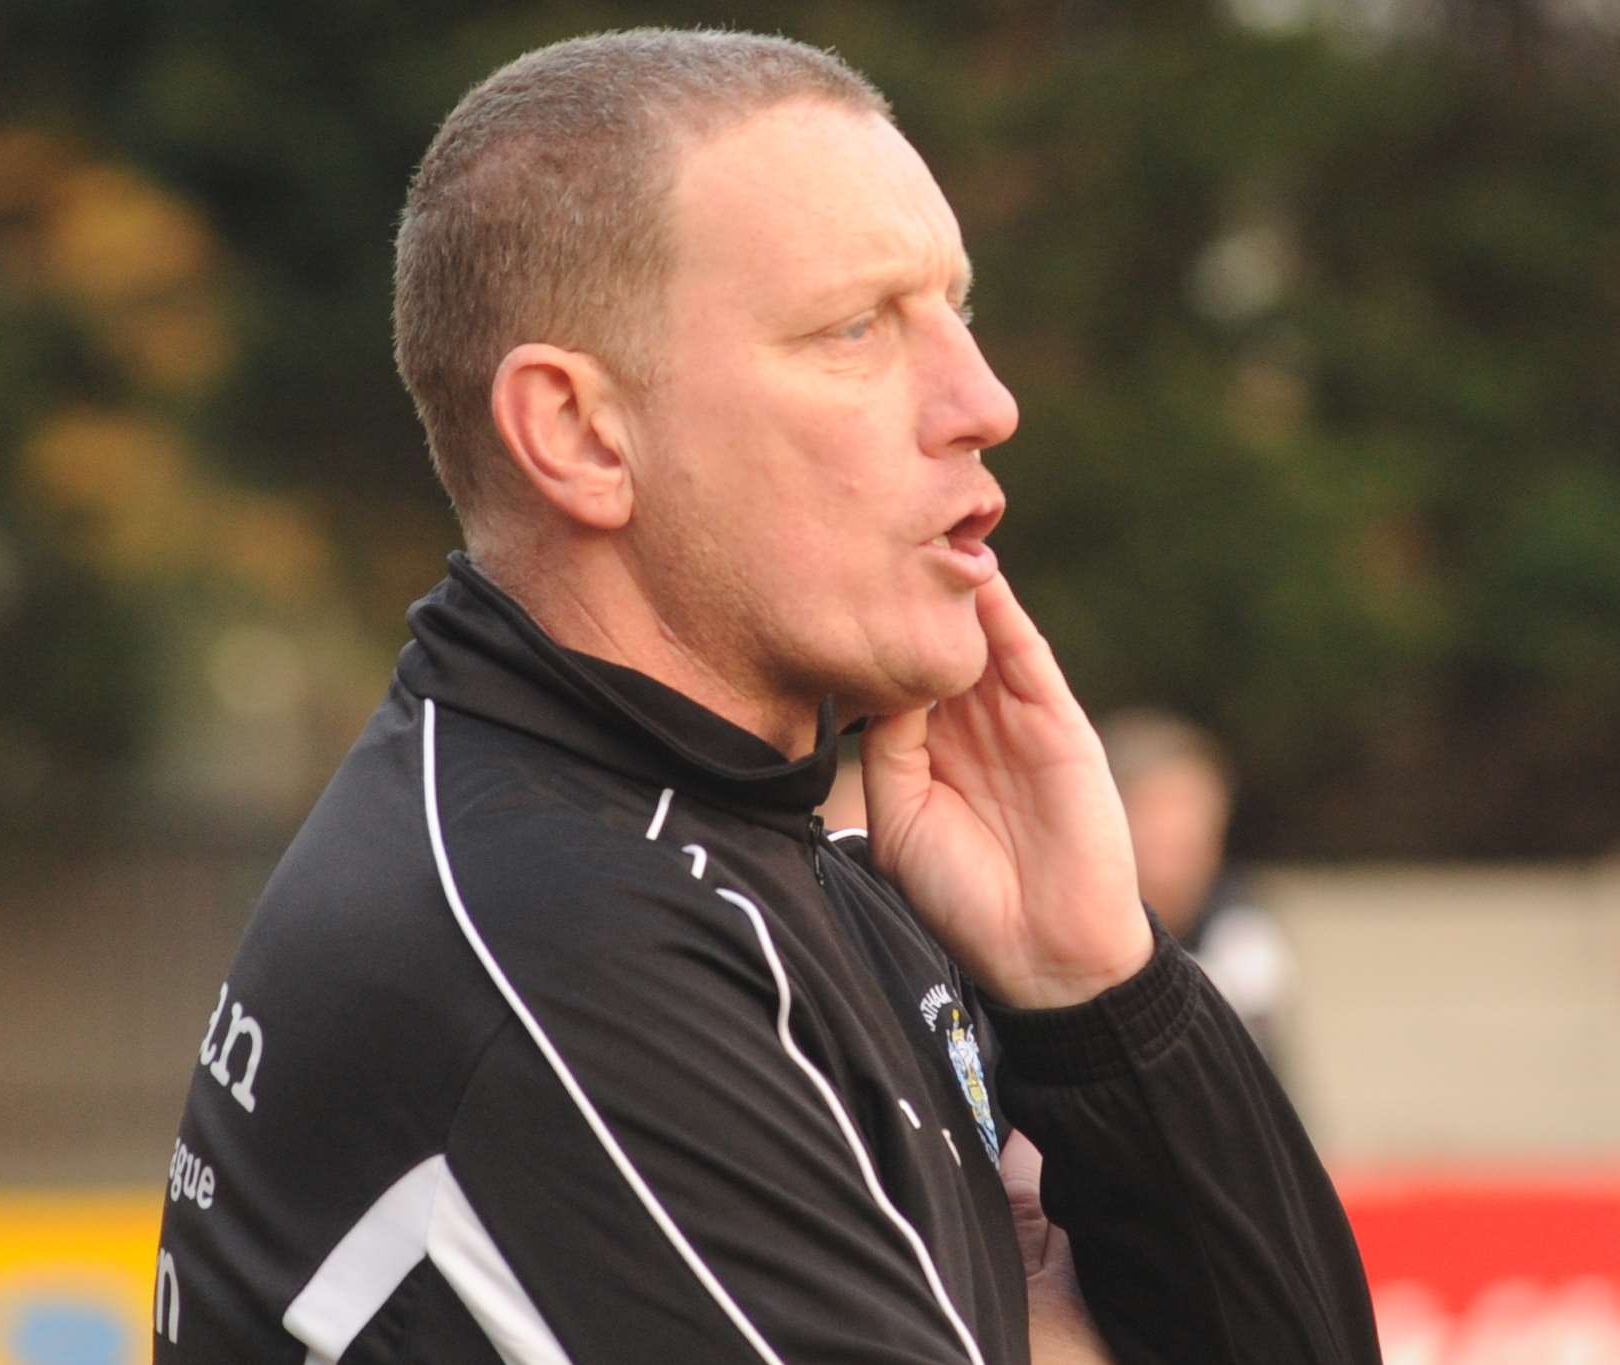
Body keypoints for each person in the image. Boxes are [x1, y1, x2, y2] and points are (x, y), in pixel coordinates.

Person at [155, 29, 1379, 1364]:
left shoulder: (762, 851)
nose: (984, 400)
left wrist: (1097, 996)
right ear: (578, 432)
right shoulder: (564, 939)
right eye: (855, 328)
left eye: (954, 313)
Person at [1100, 708, 1297, 1068]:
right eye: (1155, 810)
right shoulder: (1072, 930)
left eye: (1193, 811)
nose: (1177, 832)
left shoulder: (1241, 927)